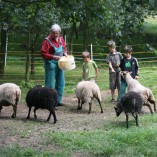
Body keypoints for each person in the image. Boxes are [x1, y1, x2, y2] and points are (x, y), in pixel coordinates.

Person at [40, 24, 67, 106]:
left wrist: (65, 53)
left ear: (59, 32)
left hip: (60, 62)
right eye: (54, 33)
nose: (55, 35)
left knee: (61, 83)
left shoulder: (61, 38)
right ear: (51, 32)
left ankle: (57, 101)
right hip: (50, 63)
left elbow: (64, 47)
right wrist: (52, 56)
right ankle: (49, 102)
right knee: (50, 84)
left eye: (57, 33)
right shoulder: (46, 41)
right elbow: (43, 53)